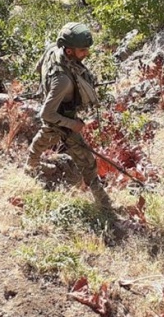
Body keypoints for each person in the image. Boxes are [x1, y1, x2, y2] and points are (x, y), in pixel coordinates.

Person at [25, 22, 113, 209]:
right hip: (60, 116)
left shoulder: (52, 49)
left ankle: (30, 166)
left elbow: (38, 67)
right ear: (69, 51)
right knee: (86, 159)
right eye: (82, 50)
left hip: (57, 108)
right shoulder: (63, 80)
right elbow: (47, 114)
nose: (86, 54)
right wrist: (72, 124)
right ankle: (104, 202)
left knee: (45, 136)